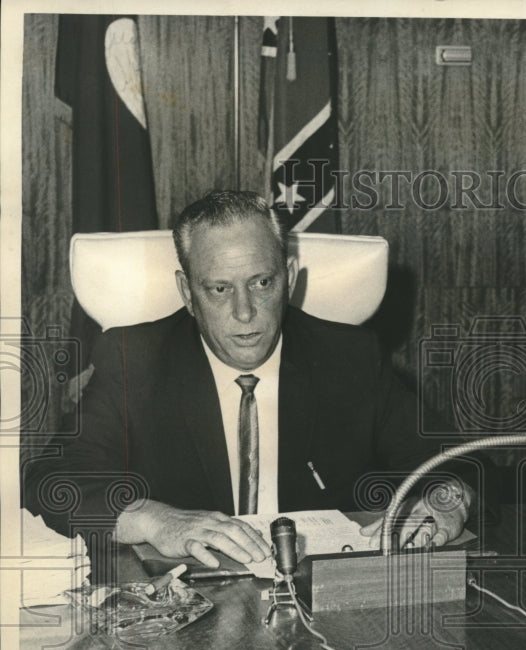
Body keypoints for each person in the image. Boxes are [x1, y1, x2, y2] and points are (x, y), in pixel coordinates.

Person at [24, 190, 471, 570]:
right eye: (219, 289)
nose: (244, 313)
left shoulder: (349, 357)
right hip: (191, 607)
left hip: (322, 598)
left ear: (289, 279)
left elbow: (454, 463)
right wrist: (153, 519)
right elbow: (50, 478)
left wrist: (442, 502)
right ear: (187, 294)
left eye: (261, 283)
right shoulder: (135, 361)